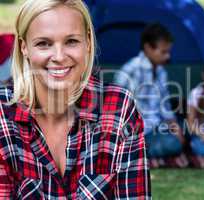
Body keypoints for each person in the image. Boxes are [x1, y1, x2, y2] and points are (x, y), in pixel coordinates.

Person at [0, 0, 151, 199]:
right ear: (24, 47)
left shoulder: (119, 108)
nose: (59, 56)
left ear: (88, 42)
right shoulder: (3, 114)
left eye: (71, 41)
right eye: (43, 43)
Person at [114, 23, 187, 168]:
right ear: (148, 48)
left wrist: (176, 128)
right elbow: (117, 110)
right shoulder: (131, 70)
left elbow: (165, 106)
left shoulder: (161, 72)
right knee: (173, 144)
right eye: (163, 52)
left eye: (168, 52)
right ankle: (132, 151)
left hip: (156, 127)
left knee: (186, 132)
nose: (168, 56)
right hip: (135, 133)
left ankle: (138, 152)